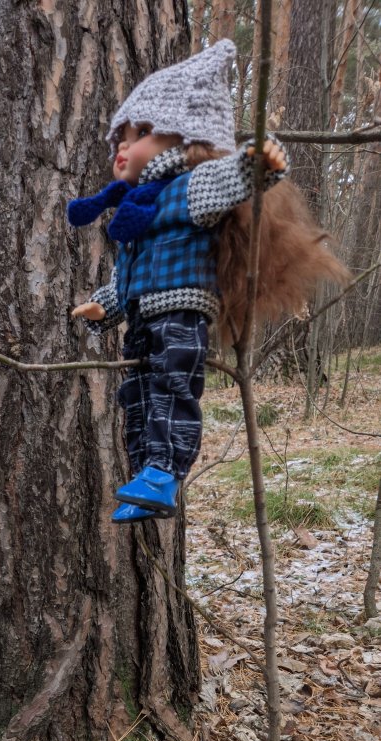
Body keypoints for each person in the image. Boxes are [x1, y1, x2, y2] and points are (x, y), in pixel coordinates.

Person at [68, 39, 349, 524]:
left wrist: (258, 162)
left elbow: (232, 179)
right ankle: (144, 476)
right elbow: (127, 277)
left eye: (139, 133)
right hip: (141, 318)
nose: (122, 146)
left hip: (179, 315)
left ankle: (165, 472)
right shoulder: (137, 210)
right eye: (120, 137)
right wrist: (103, 306)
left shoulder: (188, 188)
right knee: (137, 393)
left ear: (183, 140)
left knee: (172, 387)